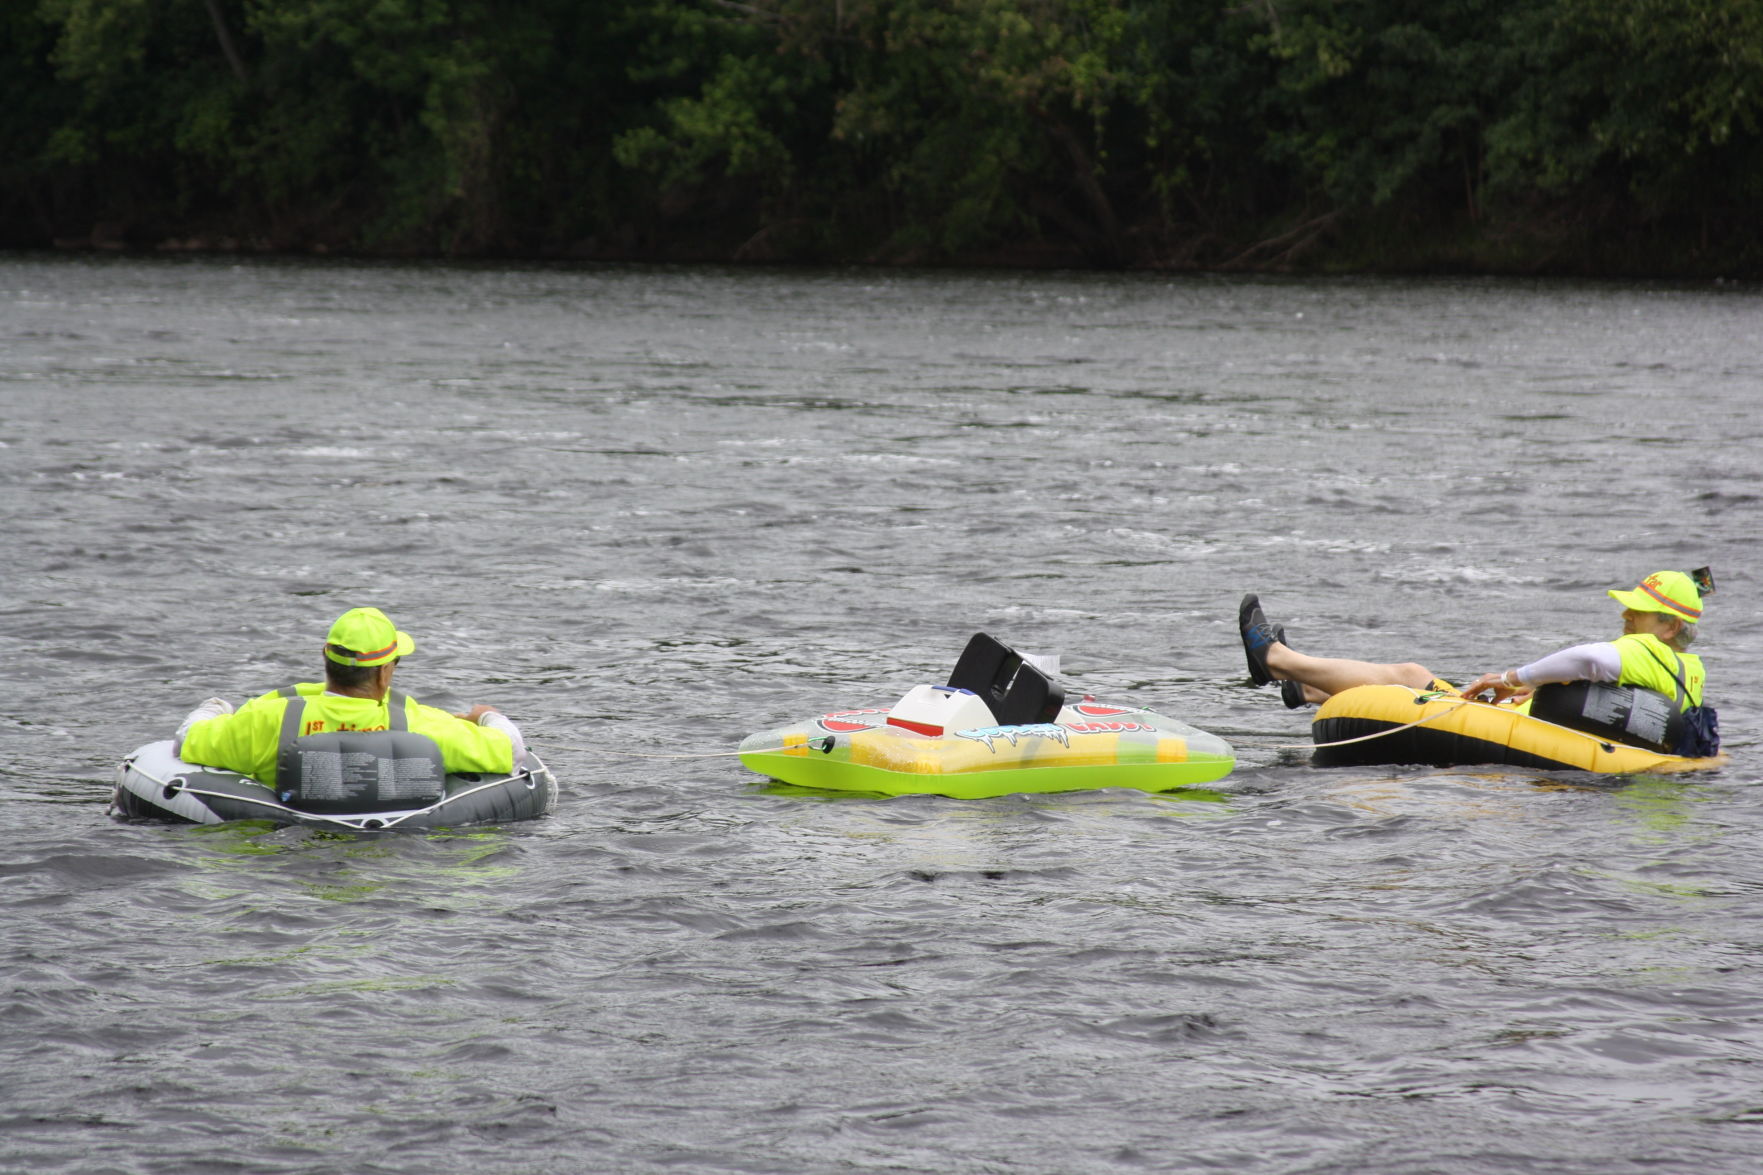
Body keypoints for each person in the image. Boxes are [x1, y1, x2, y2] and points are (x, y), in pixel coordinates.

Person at [1238, 570, 1710, 716]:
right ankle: (1308, 688)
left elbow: (1591, 658)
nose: (1626, 615)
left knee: (1410, 675)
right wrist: (1537, 691)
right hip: (1538, 730)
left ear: (1668, 627)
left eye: (1639, 611)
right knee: (1416, 679)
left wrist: (1510, 679)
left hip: (1514, 736)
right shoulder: (1690, 672)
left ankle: (1276, 661)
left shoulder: (1643, 651)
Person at [176, 606, 526, 787]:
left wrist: (216, 708)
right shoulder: (419, 725)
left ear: (325, 657)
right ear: (385, 671)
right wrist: (484, 715)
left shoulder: (269, 718)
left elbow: (186, 740)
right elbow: (511, 751)